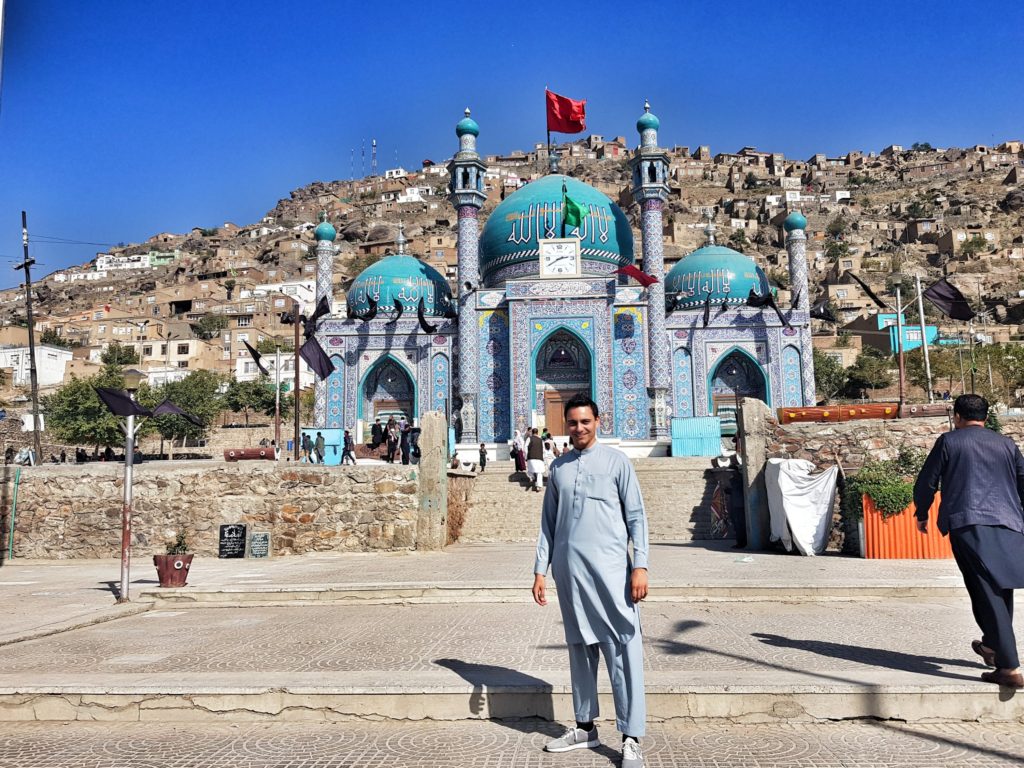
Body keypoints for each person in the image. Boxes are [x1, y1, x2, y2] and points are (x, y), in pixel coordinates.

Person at [533, 394, 649, 768]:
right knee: (580, 648)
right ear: (564, 425)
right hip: (571, 573)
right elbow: (548, 524)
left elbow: (637, 518)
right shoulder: (561, 469)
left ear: (599, 421)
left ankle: (630, 736)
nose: (579, 428)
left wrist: (640, 566)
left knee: (622, 647)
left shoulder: (617, 463)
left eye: (585, 421)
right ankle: (585, 726)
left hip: (613, 573)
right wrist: (540, 569)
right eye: (572, 422)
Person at [913, 394, 1024, 689]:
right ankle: (991, 645)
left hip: (970, 522)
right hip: (1010, 523)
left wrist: (922, 511)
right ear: (985, 417)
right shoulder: (1007, 444)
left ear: (957, 416)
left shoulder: (950, 441)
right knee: (999, 586)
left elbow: (927, 481)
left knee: (984, 589)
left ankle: (1009, 667)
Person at [526, 427, 545, 492]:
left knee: (530, 469)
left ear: (532, 432)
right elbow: (544, 450)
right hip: (539, 458)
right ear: (537, 433)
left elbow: (525, 447)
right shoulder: (541, 440)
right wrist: (543, 457)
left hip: (531, 457)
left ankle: (532, 477)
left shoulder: (529, 438)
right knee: (539, 472)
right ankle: (538, 486)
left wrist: (526, 455)